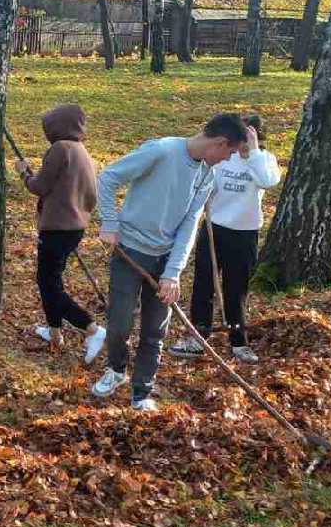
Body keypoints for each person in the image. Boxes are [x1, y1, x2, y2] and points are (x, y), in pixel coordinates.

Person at [90, 112, 247, 410]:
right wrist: (109, 221)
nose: (227, 160)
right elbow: (108, 178)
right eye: (229, 153)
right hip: (130, 252)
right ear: (220, 142)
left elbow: (190, 224)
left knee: (155, 330)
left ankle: (142, 392)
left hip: (165, 260)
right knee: (120, 322)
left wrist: (172, 272)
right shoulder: (161, 151)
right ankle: (116, 370)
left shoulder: (207, 176)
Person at [174, 112, 280, 364]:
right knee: (204, 285)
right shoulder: (225, 158)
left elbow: (268, 181)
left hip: (245, 234)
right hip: (214, 229)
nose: (241, 145)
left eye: (247, 138)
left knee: (236, 289)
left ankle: (238, 340)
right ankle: (198, 336)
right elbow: (206, 186)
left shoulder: (264, 160)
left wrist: (253, 152)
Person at [15, 104, 107, 364]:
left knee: (48, 283)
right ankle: (54, 332)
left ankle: (91, 328)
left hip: (56, 228)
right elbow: (91, 197)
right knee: (51, 280)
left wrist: (24, 174)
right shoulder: (83, 152)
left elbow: (40, 186)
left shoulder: (60, 148)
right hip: (74, 228)